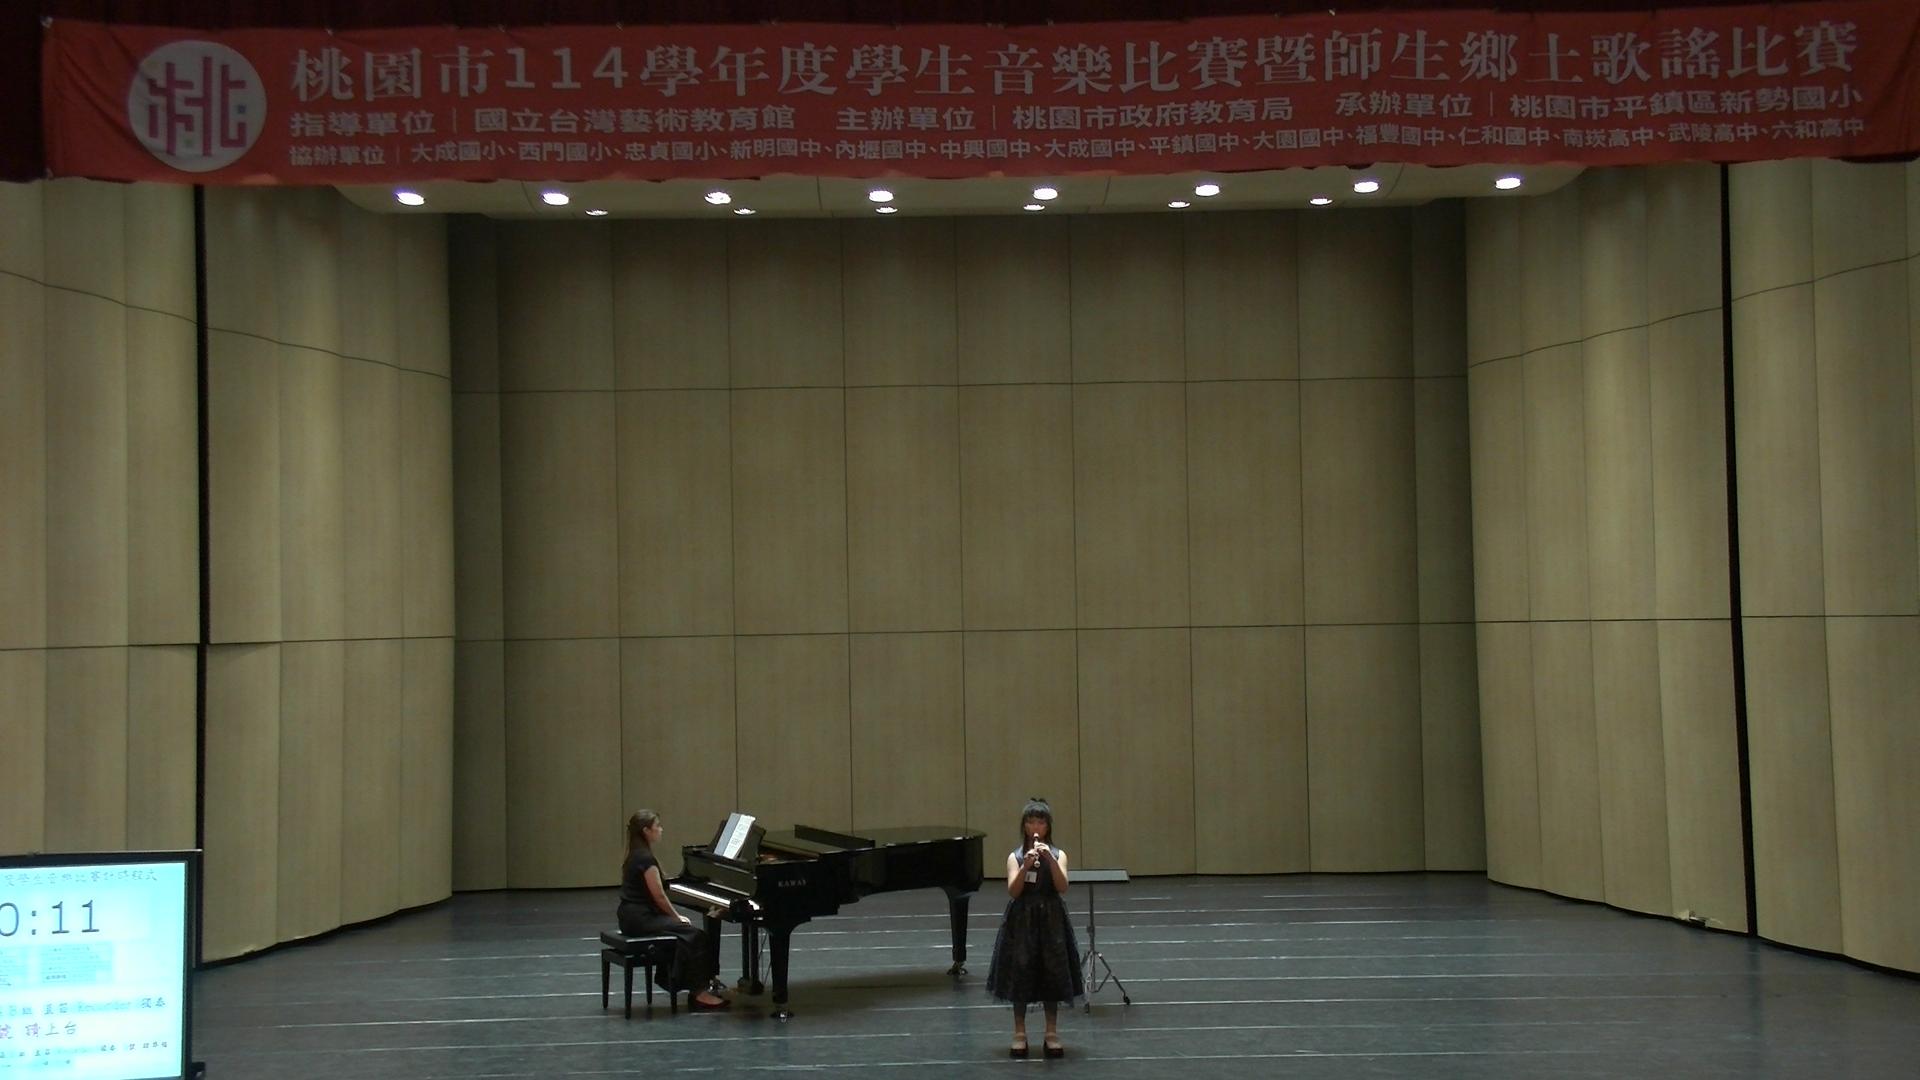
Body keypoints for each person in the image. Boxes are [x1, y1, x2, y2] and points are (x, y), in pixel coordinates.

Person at [985, 798, 1083, 1057]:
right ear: (1024, 826)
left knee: (1053, 971)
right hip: (1022, 919)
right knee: (1021, 971)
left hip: (1051, 917)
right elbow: (1013, 890)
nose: (1035, 827)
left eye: (1040, 822)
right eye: (1031, 822)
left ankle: (1051, 1032)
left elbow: (1062, 886)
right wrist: (1026, 865)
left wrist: (1049, 859)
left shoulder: (1059, 855)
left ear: (1048, 826)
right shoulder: (1015, 856)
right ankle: (1019, 1033)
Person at [617, 809, 729, 1010]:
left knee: (686, 935)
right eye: (657, 826)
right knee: (696, 936)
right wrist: (676, 917)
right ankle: (699, 993)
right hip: (641, 919)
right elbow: (659, 896)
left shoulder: (634, 854)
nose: (661, 829)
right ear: (646, 831)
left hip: (630, 917)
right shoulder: (646, 859)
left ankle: (693, 985)